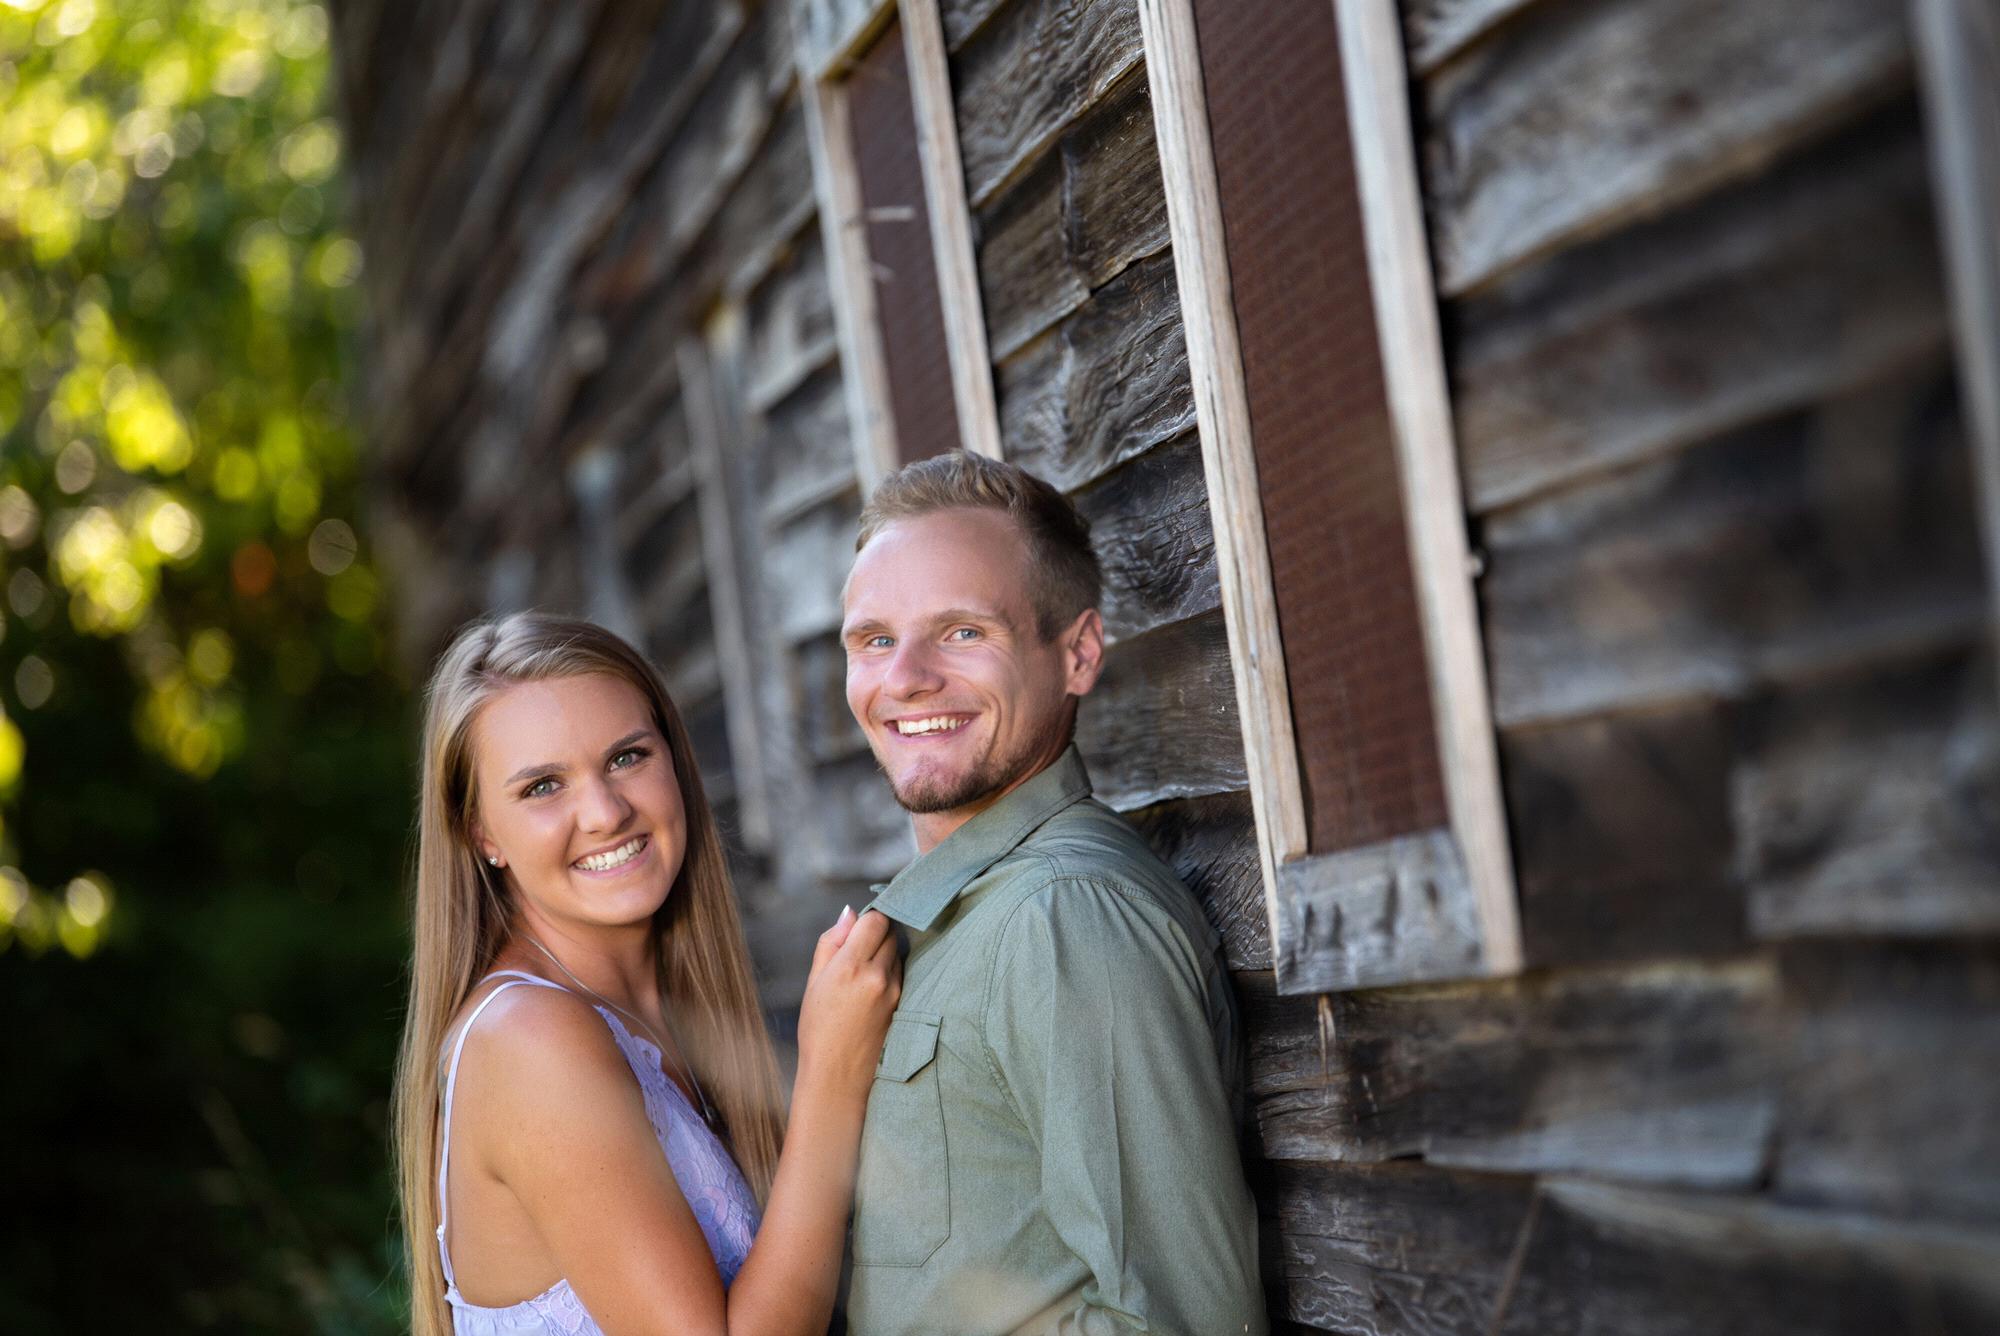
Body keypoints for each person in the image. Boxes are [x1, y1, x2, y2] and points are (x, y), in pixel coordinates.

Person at [837, 451, 1267, 1334]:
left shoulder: (1064, 916)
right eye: (875, 640)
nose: (905, 677)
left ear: (1077, 654)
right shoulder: (961, 915)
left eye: (963, 632)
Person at [392, 612, 901, 1336]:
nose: (605, 813)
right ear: (481, 833)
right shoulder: (530, 1040)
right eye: (542, 787)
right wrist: (833, 1075)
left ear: (673, 761)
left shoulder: (661, 1010)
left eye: (627, 757)